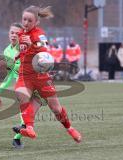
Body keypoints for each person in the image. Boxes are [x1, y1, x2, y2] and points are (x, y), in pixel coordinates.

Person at [13, 6, 82, 143]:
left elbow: (44, 50)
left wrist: (32, 44)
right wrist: (18, 56)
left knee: (56, 108)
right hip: (25, 75)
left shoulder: (39, 34)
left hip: (41, 76)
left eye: (29, 20)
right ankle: (30, 129)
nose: (26, 23)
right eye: (24, 19)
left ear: (36, 22)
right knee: (22, 95)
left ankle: (70, 128)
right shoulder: (21, 34)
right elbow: (24, 52)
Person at [0, 23, 45, 149]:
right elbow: (10, 74)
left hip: (35, 82)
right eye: (12, 32)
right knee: (26, 112)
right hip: (22, 85)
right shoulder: (7, 51)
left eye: (17, 33)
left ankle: (21, 131)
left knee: (29, 112)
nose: (14, 35)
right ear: (8, 34)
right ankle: (18, 137)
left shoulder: (27, 46)